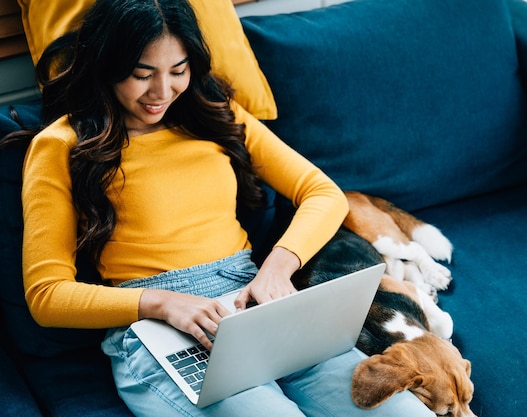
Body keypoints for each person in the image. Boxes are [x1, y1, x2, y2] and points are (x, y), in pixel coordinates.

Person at [8, 0, 435, 416]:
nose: (162, 92)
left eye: (178, 71)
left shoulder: (214, 114)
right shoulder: (60, 146)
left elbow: (323, 194)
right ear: (106, 64)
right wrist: (162, 304)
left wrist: (277, 268)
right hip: (158, 330)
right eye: (142, 74)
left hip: (256, 306)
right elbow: (47, 296)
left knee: (402, 410)